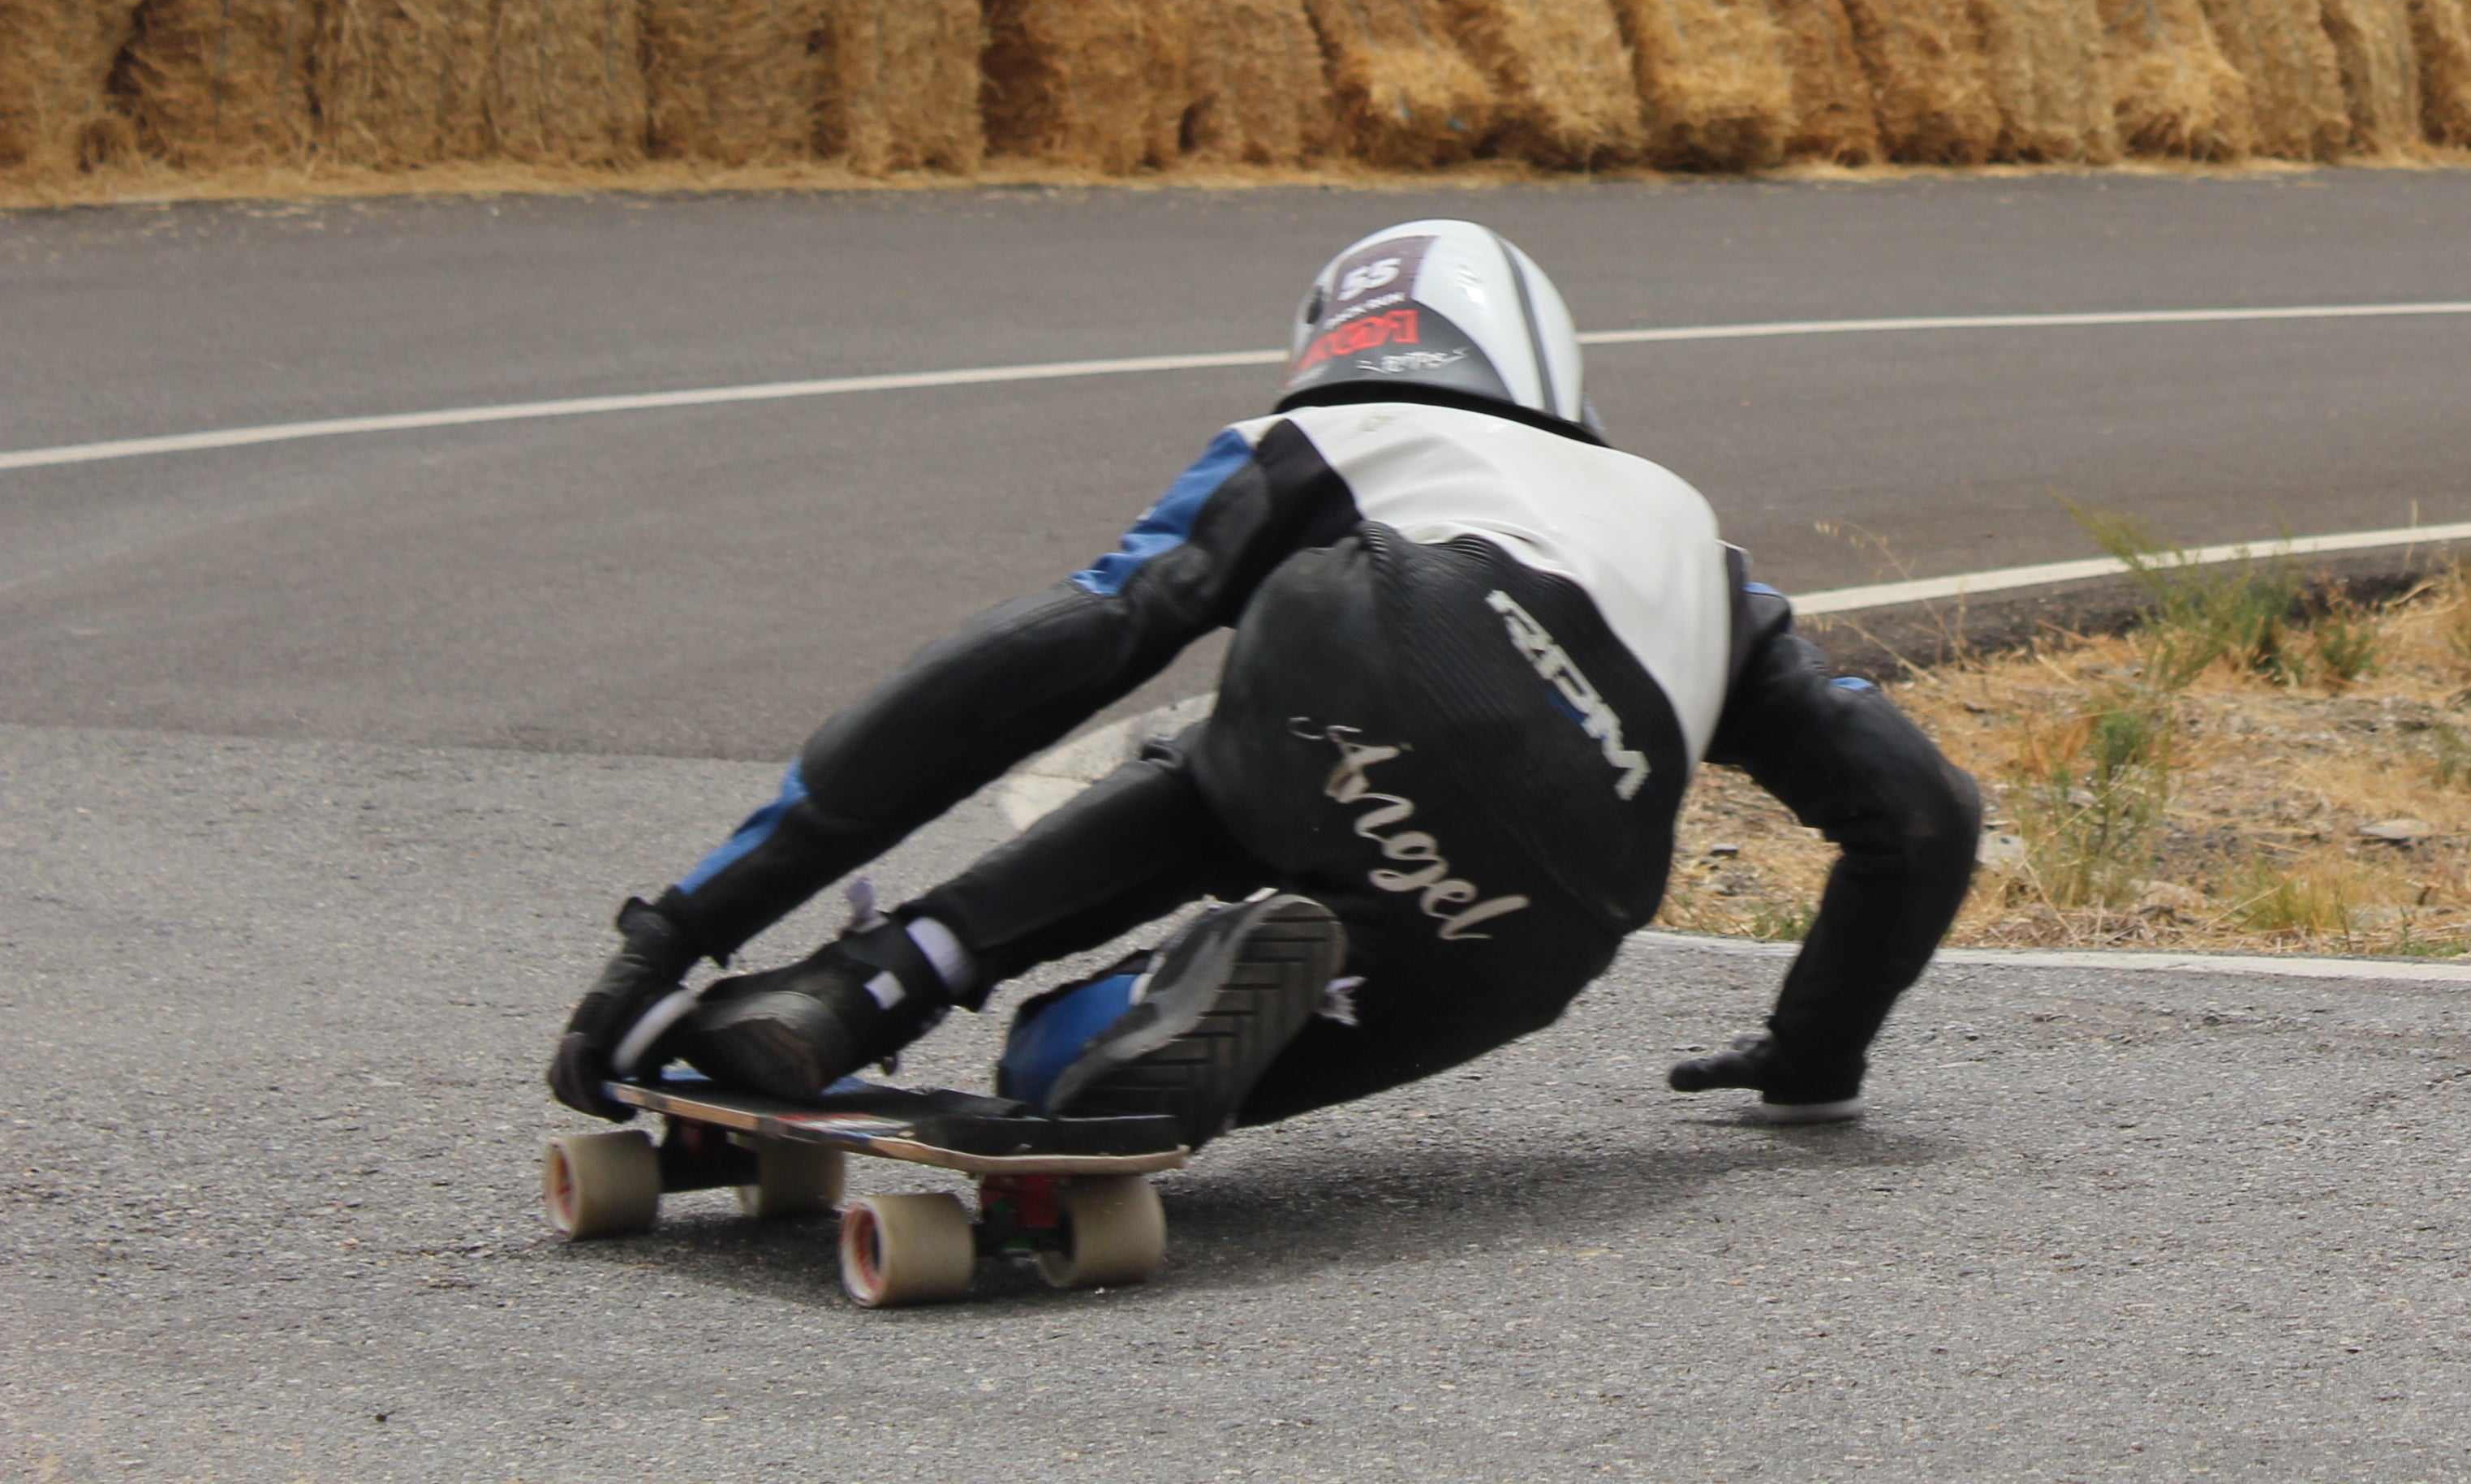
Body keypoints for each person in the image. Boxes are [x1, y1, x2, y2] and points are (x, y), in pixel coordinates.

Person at [545, 218, 1982, 1143]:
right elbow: (1922, 817)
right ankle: (1132, 1023)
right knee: (1081, 1094)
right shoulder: (1696, 547)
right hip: (1559, 911)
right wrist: (1810, 1058)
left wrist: (678, 930)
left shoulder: (1333, 436)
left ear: (1333, 350)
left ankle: (866, 982)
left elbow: (1059, 650)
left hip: (1370, 662)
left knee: (1239, 748)